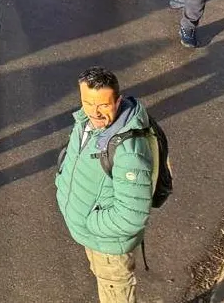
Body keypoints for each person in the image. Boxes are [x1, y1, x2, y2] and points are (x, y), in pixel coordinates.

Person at [55, 66, 154, 303]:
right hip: (95, 237)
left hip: (109, 246)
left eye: (104, 105)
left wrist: (91, 222)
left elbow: (131, 217)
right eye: (88, 103)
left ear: (118, 101)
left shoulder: (128, 151)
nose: (95, 112)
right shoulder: (86, 121)